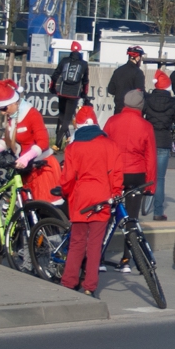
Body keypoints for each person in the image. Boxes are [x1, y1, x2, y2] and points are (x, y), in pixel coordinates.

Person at [57, 106, 123, 298]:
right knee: (95, 244)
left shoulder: (73, 147)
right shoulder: (110, 145)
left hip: (80, 198)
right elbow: (116, 174)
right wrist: (115, 192)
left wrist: (65, 193)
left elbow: (68, 177)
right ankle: (90, 286)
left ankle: (69, 281)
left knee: (77, 242)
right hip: (102, 197)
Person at [104, 89, 158, 270]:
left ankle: (98, 257)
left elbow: (103, 147)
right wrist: (151, 185)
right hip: (137, 174)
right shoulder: (146, 126)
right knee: (132, 219)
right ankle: (127, 260)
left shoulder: (112, 122)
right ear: (141, 106)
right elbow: (150, 157)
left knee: (107, 216)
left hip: (115, 173)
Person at [143, 71, 175, 220]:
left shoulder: (148, 99)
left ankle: (135, 206)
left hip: (148, 140)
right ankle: (158, 212)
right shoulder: (172, 102)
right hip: (164, 140)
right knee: (160, 178)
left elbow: (141, 115)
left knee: (145, 174)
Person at [50, 41, 90, 147]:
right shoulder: (84, 64)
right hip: (74, 94)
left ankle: (64, 138)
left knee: (62, 116)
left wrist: (52, 88)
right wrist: (84, 93)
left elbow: (55, 75)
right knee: (67, 119)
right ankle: (57, 144)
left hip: (62, 92)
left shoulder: (64, 61)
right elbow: (85, 81)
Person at [108, 45, 146, 114]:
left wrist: (120, 93)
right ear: (137, 58)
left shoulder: (118, 71)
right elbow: (141, 93)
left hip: (118, 110)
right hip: (132, 111)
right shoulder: (138, 73)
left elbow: (110, 90)